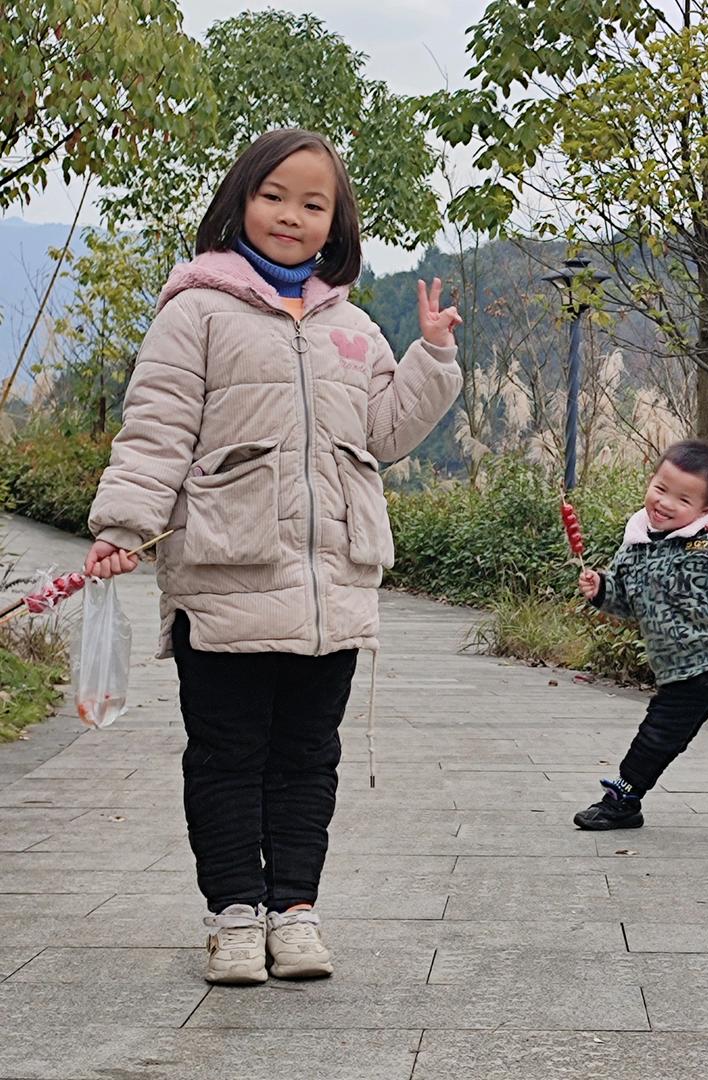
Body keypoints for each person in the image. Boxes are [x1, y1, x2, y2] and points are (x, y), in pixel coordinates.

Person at [84, 128, 463, 984]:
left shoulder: (353, 327)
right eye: (274, 196)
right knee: (226, 756)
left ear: (336, 223)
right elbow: (156, 430)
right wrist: (122, 527)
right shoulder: (195, 311)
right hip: (225, 576)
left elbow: (384, 434)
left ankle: (295, 912)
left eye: (313, 204)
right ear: (240, 200)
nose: (291, 215)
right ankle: (233, 914)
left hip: (332, 588)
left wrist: (432, 356)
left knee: (307, 757)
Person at [574, 440, 708, 842]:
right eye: (661, 489)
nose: (666, 503)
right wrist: (602, 589)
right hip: (682, 668)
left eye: (683, 499)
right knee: (658, 734)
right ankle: (624, 801)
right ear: (651, 481)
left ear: (707, 508)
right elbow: (629, 602)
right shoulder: (635, 547)